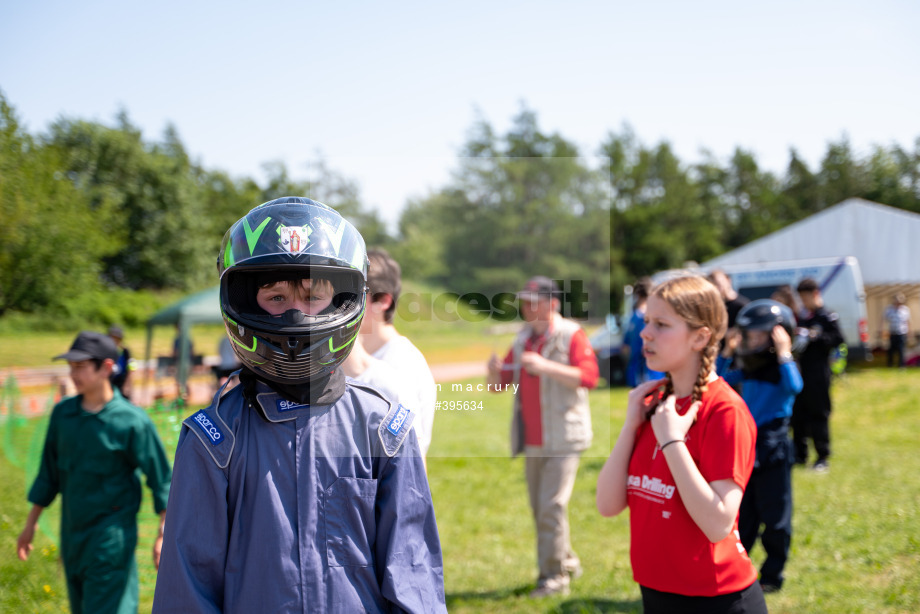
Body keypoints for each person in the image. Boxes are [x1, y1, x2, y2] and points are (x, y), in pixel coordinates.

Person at [153, 197, 446, 613]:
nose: (295, 317)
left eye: (313, 297)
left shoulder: (384, 428)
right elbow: (188, 587)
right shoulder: (213, 438)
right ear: (245, 302)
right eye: (276, 298)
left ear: (344, 300)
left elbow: (413, 576)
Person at [596, 275, 767, 614]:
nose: (645, 333)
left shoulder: (724, 411)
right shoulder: (655, 403)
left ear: (700, 337)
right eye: (647, 321)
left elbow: (718, 524)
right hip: (658, 592)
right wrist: (631, 426)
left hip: (717, 599)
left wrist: (673, 442)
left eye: (661, 324)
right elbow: (607, 504)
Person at [17, 330, 172, 614]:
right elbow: (49, 473)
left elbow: (162, 479)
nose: (73, 374)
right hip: (72, 535)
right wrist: (30, 524)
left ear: (107, 367)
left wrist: (164, 533)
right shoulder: (63, 415)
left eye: (81, 367)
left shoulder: (132, 421)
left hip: (110, 539)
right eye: (71, 367)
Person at [486, 276, 599, 598]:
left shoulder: (571, 334)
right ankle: (567, 561)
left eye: (533, 302)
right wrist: (493, 370)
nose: (526, 308)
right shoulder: (522, 339)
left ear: (552, 304)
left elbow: (590, 378)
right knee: (542, 509)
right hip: (533, 439)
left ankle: (553, 578)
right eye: (524, 302)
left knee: (551, 507)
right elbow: (499, 385)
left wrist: (546, 366)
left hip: (565, 436)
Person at [719, 299, 803, 593]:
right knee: (745, 515)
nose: (751, 342)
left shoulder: (782, 368)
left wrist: (784, 353)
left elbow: (795, 386)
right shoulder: (747, 368)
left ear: (775, 336)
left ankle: (772, 573)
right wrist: (728, 351)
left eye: (757, 336)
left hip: (775, 446)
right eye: (748, 336)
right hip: (748, 446)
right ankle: (737, 567)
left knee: (776, 518)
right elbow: (717, 381)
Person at [359, 248, 438, 460]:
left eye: (352, 295)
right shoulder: (356, 358)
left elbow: (410, 460)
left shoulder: (402, 363)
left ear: (382, 301)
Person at [792, 278, 844, 472]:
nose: (803, 302)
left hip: (819, 373)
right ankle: (799, 455)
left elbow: (838, 339)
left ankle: (822, 456)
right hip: (801, 372)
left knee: (818, 413)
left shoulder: (827, 316)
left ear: (815, 294)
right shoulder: (805, 317)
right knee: (798, 415)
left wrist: (815, 337)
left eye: (805, 298)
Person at [622, 277, 664, 387]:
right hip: (647, 368)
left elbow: (626, 344)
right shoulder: (646, 316)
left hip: (636, 367)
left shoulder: (633, 316)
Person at [881, 293, 910, 368]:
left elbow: (908, 321)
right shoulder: (889, 309)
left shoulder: (905, 310)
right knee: (891, 349)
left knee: (901, 350)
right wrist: (883, 330)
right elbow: (884, 320)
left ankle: (901, 365)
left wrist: (909, 332)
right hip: (892, 332)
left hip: (902, 332)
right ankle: (890, 364)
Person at [108, 325, 135, 400]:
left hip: (122, 384)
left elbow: (132, 367)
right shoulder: (105, 352)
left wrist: (128, 383)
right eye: (111, 338)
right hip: (110, 385)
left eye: (116, 339)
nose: (114, 341)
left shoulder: (125, 352)